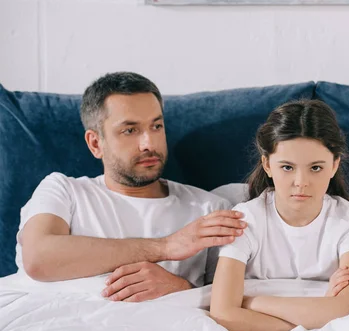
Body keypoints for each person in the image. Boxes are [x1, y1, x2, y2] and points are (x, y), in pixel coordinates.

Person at [17, 72, 246, 302]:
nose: (149, 143)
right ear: (96, 143)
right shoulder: (64, 191)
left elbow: (232, 302)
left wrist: (181, 288)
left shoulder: (210, 210)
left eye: (156, 126)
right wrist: (166, 247)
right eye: (130, 130)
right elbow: (38, 258)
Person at [210, 99, 349, 331]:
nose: (301, 182)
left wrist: (251, 302)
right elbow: (223, 312)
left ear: (334, 165)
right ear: (267, 164)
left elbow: (344, 309)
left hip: (262, 322)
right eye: (287, 167)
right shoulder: (246, 219)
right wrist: (304, 328)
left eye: (315, 168)